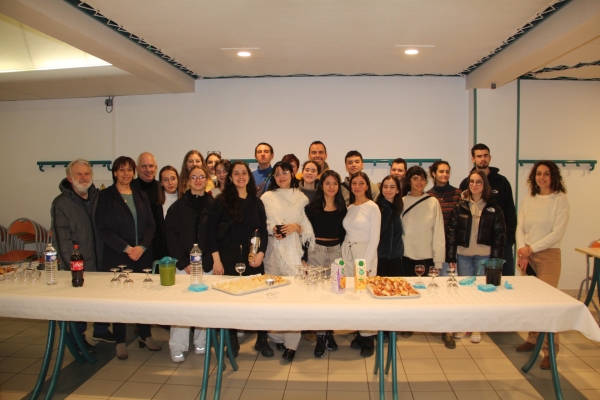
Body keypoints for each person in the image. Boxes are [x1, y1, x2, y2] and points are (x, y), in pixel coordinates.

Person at [206, 161, 272, 358]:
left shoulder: (256, 202)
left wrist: (261, 254)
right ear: (230, 177)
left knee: (259, 300)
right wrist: (216, 260)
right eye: (236, 173)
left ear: (249, 177)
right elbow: (210, 232)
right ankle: (232, 342)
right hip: (228, 256)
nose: (241, 176)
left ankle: (262, 340)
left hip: (252, 256)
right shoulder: (221, 201)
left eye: (244, 173)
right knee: (231, 302)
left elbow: (264, 232)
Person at [95, 156, 158, 360]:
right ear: (114, 172)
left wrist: (141, 247)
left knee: (143, 297)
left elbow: (151, 225)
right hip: (117, 255)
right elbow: (103, 229)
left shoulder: (140, 194)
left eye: (129, 170)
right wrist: (126, 248)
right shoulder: (106, 196)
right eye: (121, 170)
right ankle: (120, 341)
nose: (126, 173)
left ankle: (145, 335)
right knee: (119, 299)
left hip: (141, 255)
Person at [50, 159, 113, 350]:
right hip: (78, 263)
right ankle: (78, 339)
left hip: (101, 258)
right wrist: (73, 266)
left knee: (101, 298)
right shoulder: (61, 203)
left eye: (87, 174)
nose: (84, 178)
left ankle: (101, 330)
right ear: (70, 178)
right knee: (79, 305)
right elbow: (62, 239)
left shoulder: (98, 197)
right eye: (79, 174)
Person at [515, 161, 569, 370]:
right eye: (539, 174)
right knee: (531, 301)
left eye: (546, 174)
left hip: (548, 256)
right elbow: (520, 227)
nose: (542, 177)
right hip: (527, 256)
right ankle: (532, 339)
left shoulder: (560, 200)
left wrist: (530, 249)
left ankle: (550, 350)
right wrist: (522, 251)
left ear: (553, 177)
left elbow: (556, 233)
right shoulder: (530, 199)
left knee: (548, 304)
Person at [261, 161, 315, 362]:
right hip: (272, 253)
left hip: (293, 254)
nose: (281, 176)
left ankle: (291, 344)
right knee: (273, 298)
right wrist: (272, 229)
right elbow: (263, 223)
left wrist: (296, 227)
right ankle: (276, 336)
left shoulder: (301, 198)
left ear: (293, 174)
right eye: (277, 174)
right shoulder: (266, 197)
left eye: (285, 172)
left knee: (293, 300)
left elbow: (308, 229)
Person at [447, 170, 506, 346]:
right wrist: (451, 256)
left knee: (480, 292)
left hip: (483, 256)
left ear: (485, 184)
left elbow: (499, 235)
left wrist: (495, 260)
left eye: (478, 182)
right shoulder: (461, 206)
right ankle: (464, 325)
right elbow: (451, 232)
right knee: (465, 292)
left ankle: (476, 328)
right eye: (472, 182)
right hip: (464, 256)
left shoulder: (493, 207)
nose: (474, 185)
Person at [165, 165, 214, 363]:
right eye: (193, 177)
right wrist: (184, 262)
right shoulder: (176, 208)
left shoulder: (214, 205)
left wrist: (208, 261)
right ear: (187, 180)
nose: (198, 180)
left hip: (206, 265)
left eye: (201, 176)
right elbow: (171, 238)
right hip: (184, 266)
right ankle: (178, 346)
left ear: (207, 180)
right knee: (180, 307)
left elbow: (217, 236)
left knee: (204, 306)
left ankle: (201, 342)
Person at [304, 170, 346, 357]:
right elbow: (305, 235)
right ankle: (321, 336)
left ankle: (330, 333)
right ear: (321, 185)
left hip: (337, 252)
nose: (331, 187)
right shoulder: (311, 208)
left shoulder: (343, 208)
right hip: (316, 252)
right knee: (318, 296)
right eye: (327, 183)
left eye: (334, 183)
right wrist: (304, 256)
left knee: (336, 294)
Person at [400, 166, 444, 340]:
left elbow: (439, 233)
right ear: (409, 181)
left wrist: (438, 260)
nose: (419, 182)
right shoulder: (401, 201)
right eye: (415, 178)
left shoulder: (433, 202)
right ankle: (409, 324)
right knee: (408, 293)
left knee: (430, 294)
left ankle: (434, 325)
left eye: (422, 179)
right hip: (406, 255)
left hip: (427, 256)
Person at [459, 144, 516, 276]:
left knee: (502, 281)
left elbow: (510, 213)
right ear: (473, 159)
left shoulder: (502, 182)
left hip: (500, 242)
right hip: (477, 245)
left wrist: (508, 241)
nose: (483, 159)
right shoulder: (465, 183)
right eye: (479, 156)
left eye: (485, 155)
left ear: (490, 157)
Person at [342, 171, 381, 357]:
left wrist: (366, 263)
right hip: (348, 252)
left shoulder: (372, 207)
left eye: (361, 183)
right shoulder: (350, 207)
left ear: (367, 186)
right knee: (354, 295)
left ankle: (369, 338)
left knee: (365, 296)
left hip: (363, 254)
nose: (357, 186)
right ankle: (360, 332)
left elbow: (375, 237)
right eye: (354, 183)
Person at [427, 161, 462, 276]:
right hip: (433, 248)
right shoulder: (427, 196)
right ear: (433, 173)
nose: (445, 174)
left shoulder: (457, 194)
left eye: (447, 172)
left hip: (452, 248)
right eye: (441, 171)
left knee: (449, 282)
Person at [133, 152, 168, 260]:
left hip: (160, 246)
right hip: (139, 246)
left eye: (151, 166)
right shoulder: (130, 188)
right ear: (137, 168)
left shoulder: (162, 187)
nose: (148, 170)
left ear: (156, 168)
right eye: (144, 166)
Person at [376, 175, 404, 277]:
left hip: (396, 258)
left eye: (392, 187)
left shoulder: (398, 208)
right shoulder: (376, 208)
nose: (388, 190)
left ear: (397, 190)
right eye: (385, 186)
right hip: (379, 257)